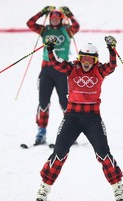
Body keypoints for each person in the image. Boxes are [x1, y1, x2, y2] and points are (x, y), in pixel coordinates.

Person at [31, 35, 123, 201]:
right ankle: (44, 189)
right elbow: (56, 63)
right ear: (80, 58)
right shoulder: (72, 68)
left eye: (90, 59)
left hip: (92, 119)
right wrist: (50, 48)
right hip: (72, 118)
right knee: (59, 153)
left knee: (103, 153)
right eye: (84, 58)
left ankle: (118, 189)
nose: (87, 62)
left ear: (95, 60)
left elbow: (112, 66)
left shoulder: (99, 70)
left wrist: (112, 49)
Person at [26, 6, 80, 145]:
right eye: (52, 18)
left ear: (61, 19)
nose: (54, 20)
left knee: (64, 103)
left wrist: (69, 14)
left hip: (62, 70)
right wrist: (42, 12)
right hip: (47, 70)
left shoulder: (67, 30)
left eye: (57, 18)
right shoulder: (45, 30)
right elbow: (30, 24)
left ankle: (70, 133)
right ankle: (41, 132)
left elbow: (77, 26)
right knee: (43, 102)